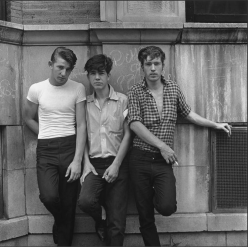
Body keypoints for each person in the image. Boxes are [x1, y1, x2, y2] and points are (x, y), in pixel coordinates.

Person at [127, 46, 232, 246]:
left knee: (167, 206)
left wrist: (215, 124)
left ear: (162, 65)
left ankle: (152, 194)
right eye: (148, 64)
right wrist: (163, 146)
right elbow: (134, 124)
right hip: (139, 158)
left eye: (156, 63)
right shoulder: (135, 91)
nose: (153, 68)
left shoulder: (173, 89)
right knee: (145, 214)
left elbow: (189, 113)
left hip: (162, 162)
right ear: (142, 67)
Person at [23, 47, 87, 246]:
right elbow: (27, 118)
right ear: (50, 65)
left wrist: (78, 160)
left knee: (69, 203)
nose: (63, 73)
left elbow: (82, 124)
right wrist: (44, 134)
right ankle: (61, 221)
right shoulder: (37, 89)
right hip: (46, 149)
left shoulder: (78, 88)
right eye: (60, 67)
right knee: (49, 197)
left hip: (70, 146)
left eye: (68, 69)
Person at [78, 54, 131, 246]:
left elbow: (128, 135)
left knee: (117, 223)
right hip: (94, 164)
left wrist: (116, 165)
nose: (97, 78)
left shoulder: (123, 101)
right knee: (85, 201)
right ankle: (100, 219)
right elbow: (82, 137)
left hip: (118, 163)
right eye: (93, 74)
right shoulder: (84, 104)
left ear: (108, 75)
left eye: (101, 73)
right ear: (89, 77)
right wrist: (85, 164)